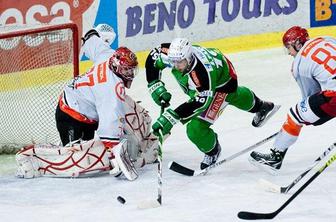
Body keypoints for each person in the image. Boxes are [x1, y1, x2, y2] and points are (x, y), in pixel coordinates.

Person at [15, 25, 158, 180]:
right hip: (70, 115)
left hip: (87, 110)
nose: (130, 74)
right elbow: (109, 122)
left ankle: (140, 144)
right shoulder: (111, 88)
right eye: (127, 71)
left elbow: (91, 40)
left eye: (132, 70)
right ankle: (33, 159)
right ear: (118, 68)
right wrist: (114, 155)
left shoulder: (109, 55)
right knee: (77, 159)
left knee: (97, 143)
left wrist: (94, 33)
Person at [145, 38, 280, 170]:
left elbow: (201, 102)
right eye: (173, 61)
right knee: (234, 95)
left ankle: (212, 151)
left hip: (222, 85)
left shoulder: (202, 73)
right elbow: (153, 57)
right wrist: (154, 83)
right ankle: (261, 106)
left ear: (189, 57)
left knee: (195, 129)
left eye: (179, 62)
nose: (176, 66)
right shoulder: (174, 55)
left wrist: (173, 116)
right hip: (218, 68)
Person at [249, 26, 336, 172]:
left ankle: (274, 159)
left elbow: (310, 97)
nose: (289, 53)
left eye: (288, 48)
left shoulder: (299, 64)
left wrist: (296, 125)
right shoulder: (325, 39)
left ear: (297, 44)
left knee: (295, 115)